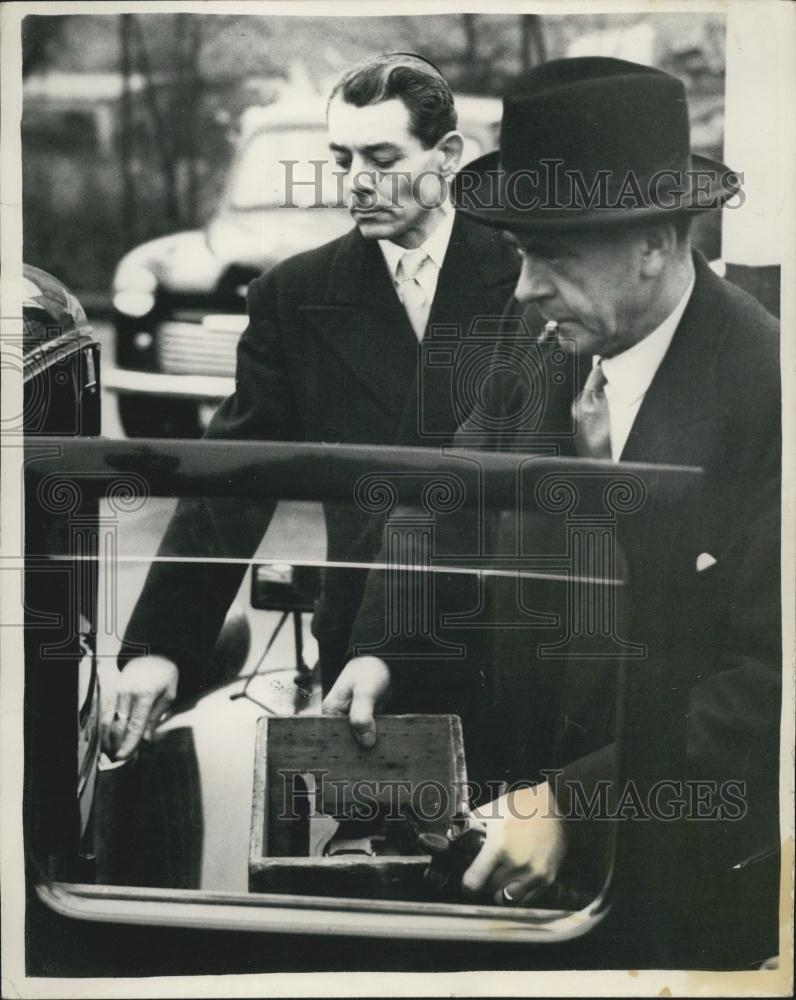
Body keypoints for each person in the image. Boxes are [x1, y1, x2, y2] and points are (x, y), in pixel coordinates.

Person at [325, 56, 781, 929]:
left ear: (657, 242)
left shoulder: (772, 397)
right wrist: (385, 645)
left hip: (683, 881)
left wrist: (579, 802)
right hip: (516, 849)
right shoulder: (541, 348)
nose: (528, 289)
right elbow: (443, 507)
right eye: (522, 254)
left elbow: (769, 686)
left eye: (557, 256)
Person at [104, 52, 520, 761]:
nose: (357, 182)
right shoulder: (293, 295)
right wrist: (162, 649)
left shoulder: (526, 276)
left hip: (508, 641)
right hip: (359, 654)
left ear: (448, 156)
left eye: (382, 158)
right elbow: (237, 475)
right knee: (363, 858)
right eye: (341, 158)